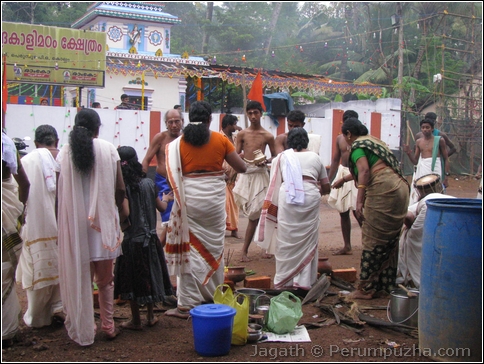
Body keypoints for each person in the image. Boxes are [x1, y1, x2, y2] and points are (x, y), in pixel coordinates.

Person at [164, 101, 246, 319]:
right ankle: (213, 295)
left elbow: (169, 172)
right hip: (214, 202)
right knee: (215, 248)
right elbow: (242, 168)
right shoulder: (221, 139)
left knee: (188, 248)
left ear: (188, 119)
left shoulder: (177, 144)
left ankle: (187, 303)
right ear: (211, 119)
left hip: (189, 200)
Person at [55, 108, 125, 345]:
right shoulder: (108, 149)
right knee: (106, 280)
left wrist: (61, 225)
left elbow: (59, 193)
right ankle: (108, 325)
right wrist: (119, 215)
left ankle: (85, 327)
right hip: (102, 226)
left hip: (75, 228)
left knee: (81, 279)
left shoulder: (64, 152)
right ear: (97, 128)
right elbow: (120, 189)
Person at [338, 117, 409, 300]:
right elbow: (374, 166)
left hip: (384, 189)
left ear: (348, 134)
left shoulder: (357, 146)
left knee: (372, 238)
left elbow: (364, 171)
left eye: (344, 135)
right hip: (399, 188)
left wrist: (360, 200)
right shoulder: (374, 141)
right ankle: (384, 285)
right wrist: (342, 180)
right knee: (389, 239)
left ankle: (366, 288)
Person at [256, 127, 330, 291]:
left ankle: (284, 281)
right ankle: (303, 282)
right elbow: (326, 186)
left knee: (285, 236)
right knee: (308, 239)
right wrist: (318, 190)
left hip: (287, 196)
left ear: (289, 142)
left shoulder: (282, 158)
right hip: (310, 196)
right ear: (306, 142)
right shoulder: (315, 157)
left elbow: (276, 183)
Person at [114, 146, 175, 330]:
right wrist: (166, 198)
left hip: (133, 241)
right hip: (152, 241)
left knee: (132, 280)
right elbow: (162, 208)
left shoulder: (123, 187)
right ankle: (149, 316)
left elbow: (125, 212)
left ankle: (135, 320)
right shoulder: (148, 183)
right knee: (149, 277)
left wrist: (120, 221)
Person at [16, 125, 65, 329]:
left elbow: (20, 191)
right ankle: (57, 308)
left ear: (36, 143)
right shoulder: (64, 158)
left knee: (37, 269)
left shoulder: (25, 161)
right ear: (56, 141)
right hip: (62, 226)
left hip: (35, 225)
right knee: (61, 268)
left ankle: (37, 318)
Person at [233, 100, 276, 262]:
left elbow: (275, 155)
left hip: (260, 175)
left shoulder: (268, 135)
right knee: (252, 213)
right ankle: (247, 250)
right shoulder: (242, 134)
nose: (252, 116)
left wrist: (266, 161)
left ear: (261, 114)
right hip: (245, 175)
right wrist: (240, 158)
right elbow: (236, 154)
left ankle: (255, 249)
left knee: (258, 213)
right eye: (250, 113)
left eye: (255, 113)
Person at [397, 174, 455, 289]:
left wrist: (408, 228)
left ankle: (416, 279)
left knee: (411, 239)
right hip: (454, 212)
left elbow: (407, 216)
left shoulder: (423, 201)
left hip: (426, 209)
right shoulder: (449, 198)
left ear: (419, 192)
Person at [2, 131, 30, 347]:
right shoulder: (8, 145)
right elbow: (25, 183)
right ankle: (7, 330)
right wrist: (20, 213)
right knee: (5, 270)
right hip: (9, 209)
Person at [141, 109, 183, 243]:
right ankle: (160, 249)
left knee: (180, 218)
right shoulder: (160, 138)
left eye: (177, 121)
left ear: (182, 122)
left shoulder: (185, 139)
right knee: (168, 218)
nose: (174, 125)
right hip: (163, 183)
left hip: (182, 182)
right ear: (166, 123)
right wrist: (142, 181)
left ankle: (165, 251)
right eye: (171, 122)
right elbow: (147, 159)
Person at [327, 110, 361, 255]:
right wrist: (328, 180)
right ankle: (347, 246)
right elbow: (335, 160)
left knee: (358, 211)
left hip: (357, 175)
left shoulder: (362, 139)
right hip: (343, 172)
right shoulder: (340, 138)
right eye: (346, 119)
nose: (349, 121)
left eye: (352, 119)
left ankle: (368, 243)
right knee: (343, 211)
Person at [404, 117, 450, 205]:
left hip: (435, 168)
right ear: (421, 129)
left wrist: (446, 177)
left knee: (436, 191)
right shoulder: (418, 142)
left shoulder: (440, 140)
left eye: (427, 127)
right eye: (423, 127)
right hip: (423, 168)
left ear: (432, 128)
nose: (425, 129)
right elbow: (415, 162)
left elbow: (446, 158)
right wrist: (408, 153)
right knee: (422, 191)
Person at [220, 114, 241, 238]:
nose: (235, 126)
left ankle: (234, 229)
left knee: (234, 204)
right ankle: (221, 229)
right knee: (224, 204)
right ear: (228, 125)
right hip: (222, 176)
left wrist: (240, 129)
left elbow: (246, 136)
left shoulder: (235, 137)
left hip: (234, 177)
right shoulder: (218, 137)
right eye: (234, 124)